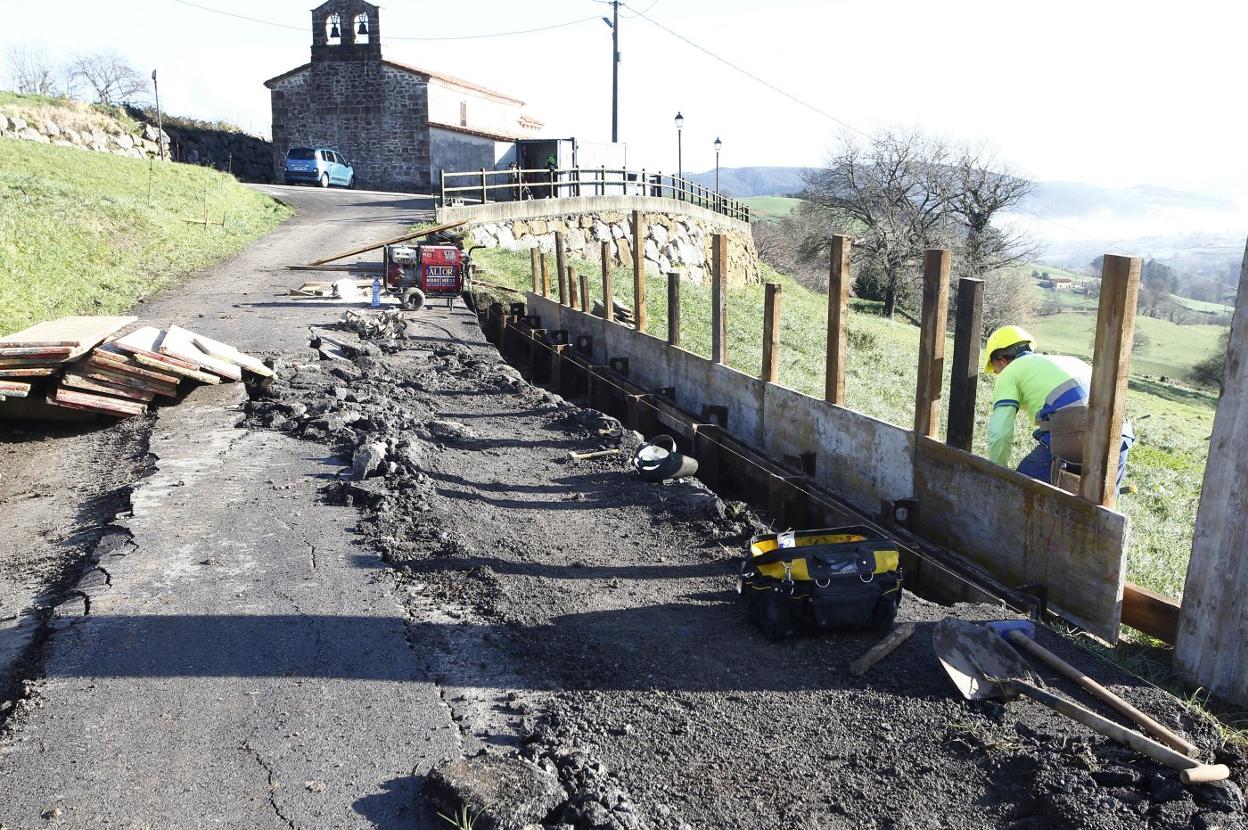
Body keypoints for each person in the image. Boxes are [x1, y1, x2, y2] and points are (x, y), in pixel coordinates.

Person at [984, 325, 1134, 486]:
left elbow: (999, 434)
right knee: (1102, 506)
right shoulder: (1071, 361)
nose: (997, 374)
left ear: (1002, 360)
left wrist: (997, 475)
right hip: (1119, 435)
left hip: (1074, 435)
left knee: (1015, 493)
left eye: (995, 369)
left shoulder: (1010, 371)